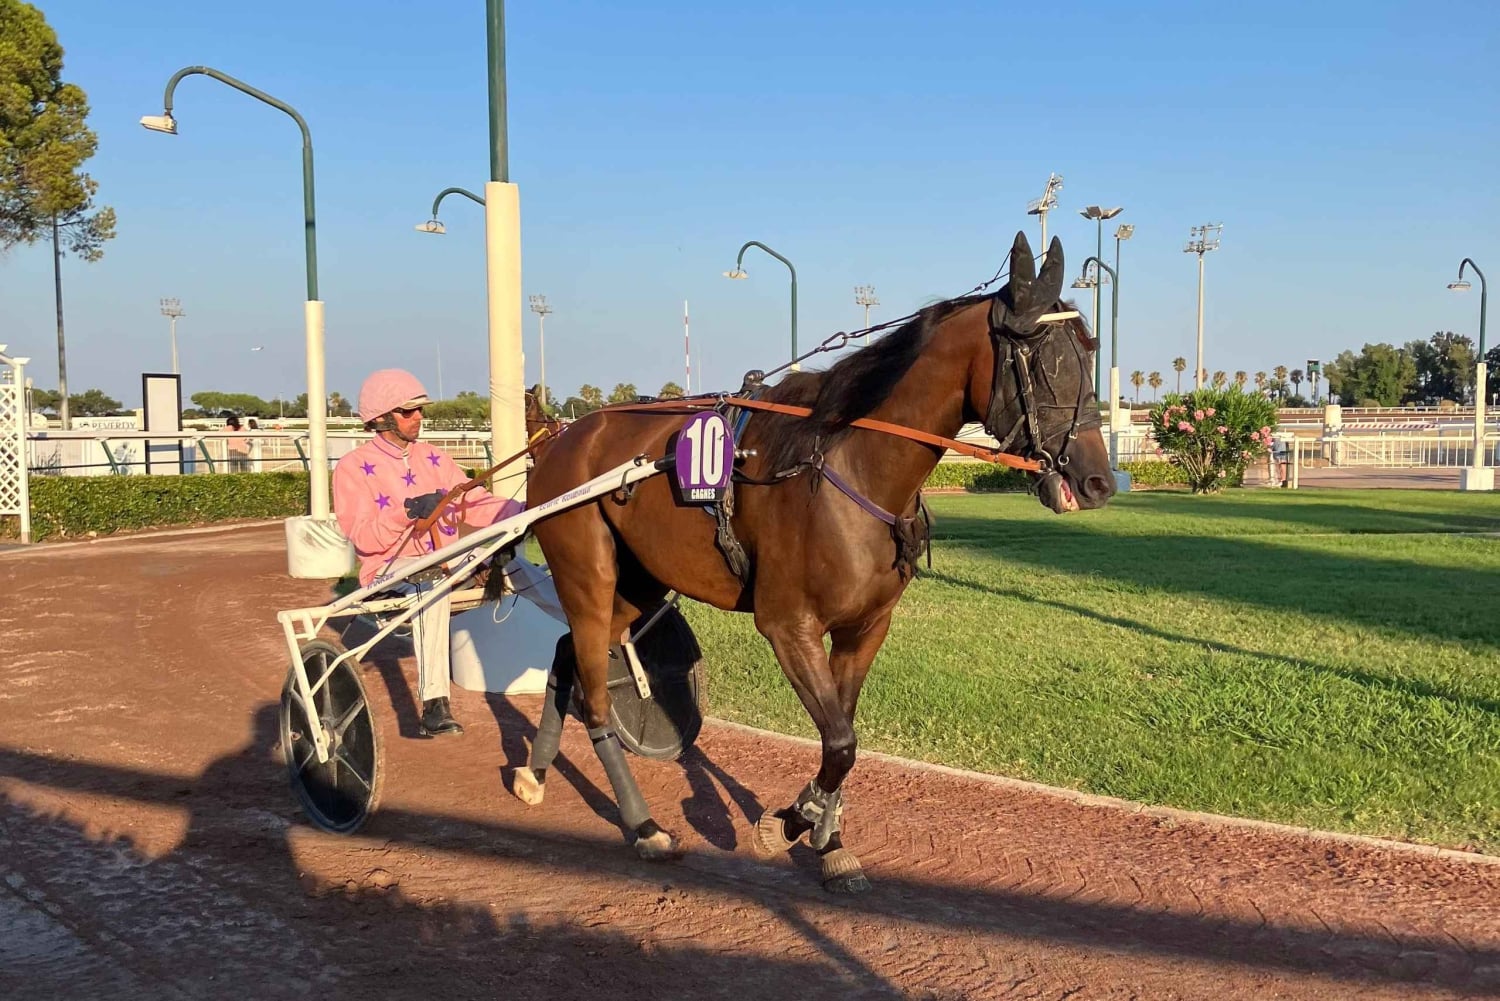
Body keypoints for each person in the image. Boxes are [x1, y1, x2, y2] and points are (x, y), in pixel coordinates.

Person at [332, 369, 523, 737]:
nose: (418, 418)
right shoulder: (352, 468)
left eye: (420, 410)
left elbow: (474, 503)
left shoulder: (434, 457)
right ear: (382, 418)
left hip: (445, 560)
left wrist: (525, 511)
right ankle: (435, 704)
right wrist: (406, 511)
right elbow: (364, 538)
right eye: (408, 411)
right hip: (388, 570)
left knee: (516, 564)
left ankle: (604, 639)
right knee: (430, 579)